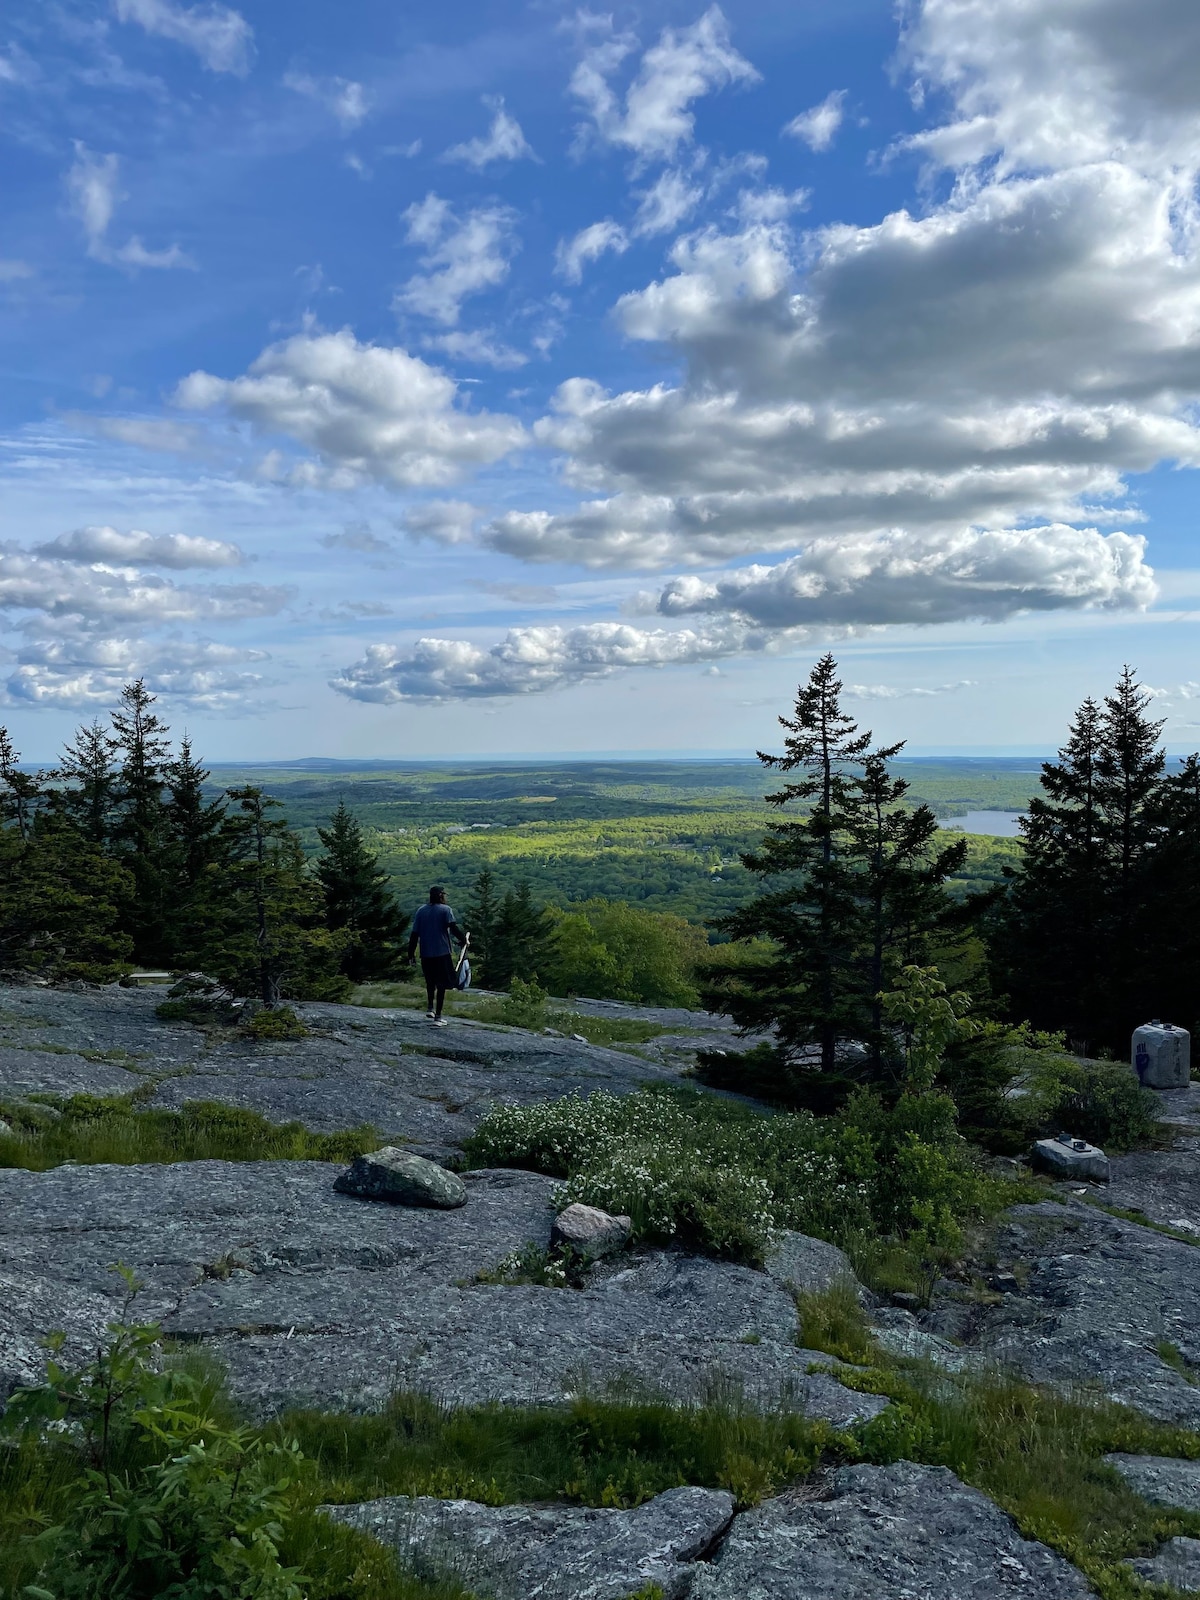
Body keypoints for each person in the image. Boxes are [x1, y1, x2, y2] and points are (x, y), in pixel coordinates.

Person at [408, 886, 467, 1025]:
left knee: (430, 982)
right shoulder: (445, 910)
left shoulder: (421, 911)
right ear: (441, 896)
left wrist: (410, 954)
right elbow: (453, 928)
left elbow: (414, 934)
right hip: (442, 952)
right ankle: (438, 1017)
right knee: (442, 984)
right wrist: (464, 940)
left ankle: (430, 1008)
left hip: (426, 953)